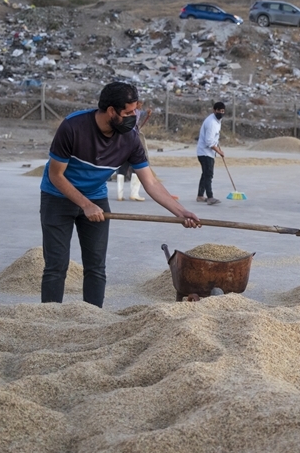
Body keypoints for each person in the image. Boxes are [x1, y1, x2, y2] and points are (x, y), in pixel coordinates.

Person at [40, 81, 200, 308]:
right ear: (111, 111)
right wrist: (85, 205)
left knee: (96, 266)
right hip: (57, 197)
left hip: (95, 196)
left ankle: (92, 318)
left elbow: (150, 182)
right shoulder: (73, 127)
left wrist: (181, 212)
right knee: (56, 265)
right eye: (128, 112)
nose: (134, 116)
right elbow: (56, 175)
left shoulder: (131, 138)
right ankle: (49, 316)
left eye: (135, 110)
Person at [196, 101, 226, 205]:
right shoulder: (211, 123)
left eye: (223, 111)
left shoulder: (218, 120)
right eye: (219, 111)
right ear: (214, 110)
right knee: (209, 174)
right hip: (205, 152)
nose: (221, 113)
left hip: (207, 152)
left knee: (205, 174)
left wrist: (217, 144)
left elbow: (214, 137)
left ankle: (200, 196)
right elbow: (209, 142)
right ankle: (210, 197)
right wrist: (219, 151)